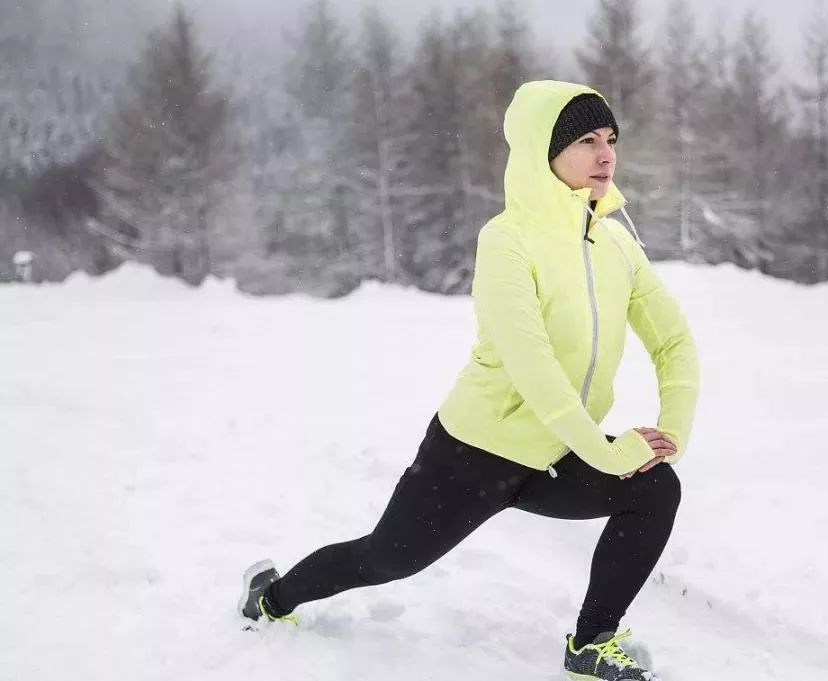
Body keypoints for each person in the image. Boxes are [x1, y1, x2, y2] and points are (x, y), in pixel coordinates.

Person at [237, 80, 700, 681]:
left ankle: (590, 644)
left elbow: (673, 341)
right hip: (475, 454)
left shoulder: (615, 244)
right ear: (545, 151)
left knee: (655, 488)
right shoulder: (506, 241)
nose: (606, 154)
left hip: (558, 453)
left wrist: (671, 433)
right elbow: (532, 365)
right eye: (586, 140)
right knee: (387, 558)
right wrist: (607, 453)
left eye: (610, 139)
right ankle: (272, 598)